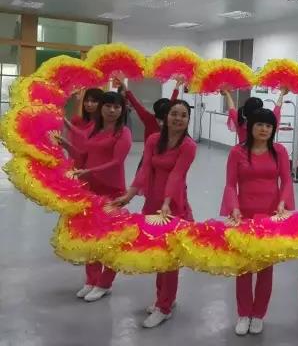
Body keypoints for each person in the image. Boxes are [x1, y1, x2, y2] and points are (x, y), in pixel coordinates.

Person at [110, 100, 197, 328]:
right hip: (152, 202)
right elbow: (145, 168)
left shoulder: (188, 146)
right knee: (159, 254)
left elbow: (177, 175)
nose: (178, 118)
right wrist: (130, 194)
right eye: (174, 114)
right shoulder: (153, 140)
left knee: (170, 256)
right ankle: (164, 299)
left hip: (174, 204)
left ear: (188, 120)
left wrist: (167, 202)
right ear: (166, 117)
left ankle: (164, 307)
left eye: (183, 115)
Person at [221, 108, 294, 336]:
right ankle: (244, 313)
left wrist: (283, 202)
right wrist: (233, 207)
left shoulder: (279, 151)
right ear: (251, 126)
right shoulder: (237, 152)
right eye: (260, 124)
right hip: (243, 214)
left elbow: (287, 181)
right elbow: (230, 184)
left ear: (273, 129)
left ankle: (259, 314)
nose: (264, 129)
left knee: (265, 266)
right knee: (243, 266)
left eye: (268, 126)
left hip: (270, 214)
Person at [57, 92, 132, 302]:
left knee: (110, 239)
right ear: (101, 108)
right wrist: (65, 144)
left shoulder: (123, 133)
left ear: (122, 110)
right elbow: (83, 155)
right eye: (108, 106)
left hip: (112, 191)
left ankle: (105, 283)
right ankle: (91, 280)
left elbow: (117, 162)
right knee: (91, 237)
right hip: (90, 189)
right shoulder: (93, 129)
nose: (112, 110)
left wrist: (89, 171)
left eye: (116, 107)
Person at [114, 75, 181, 141]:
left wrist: (177, 85)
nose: (161, 123)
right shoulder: (148, 118)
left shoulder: (149, 118)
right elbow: (135, 103)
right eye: (159, 120)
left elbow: (172, 100)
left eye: (163, 120)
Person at [223, 89, 288, 143]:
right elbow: (277, 108)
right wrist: (282, 93)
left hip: (243, 152)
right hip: (262, 152)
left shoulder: (239, 120)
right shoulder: (266, 122)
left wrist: (227, 93)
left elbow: (231, 108)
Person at [64, 88, 103, 164]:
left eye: (94, 101)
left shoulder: (102, 124)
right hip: (74, 162)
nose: (89, 104)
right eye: (86, 101)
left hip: (93, 164)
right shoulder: (77, 121)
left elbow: (84, 135)